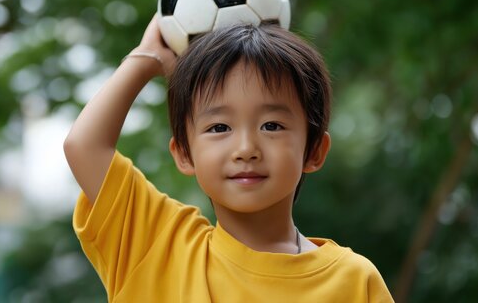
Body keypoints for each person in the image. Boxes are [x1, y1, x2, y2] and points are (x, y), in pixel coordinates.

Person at [64, 15, 394, 302]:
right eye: (220, 127)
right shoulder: (155, 246)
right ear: (184, 153)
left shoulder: (354, 281)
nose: (246, 148)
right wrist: (146, 58)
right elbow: (85, 146)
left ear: (314, 151)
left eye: (272, 125)